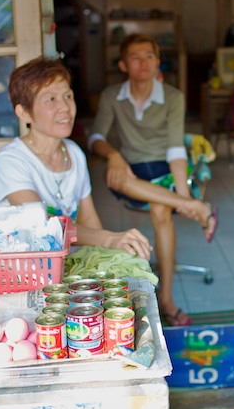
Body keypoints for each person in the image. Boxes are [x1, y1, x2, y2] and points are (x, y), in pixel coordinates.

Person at [89, 33, 218, 327]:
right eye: (135, 57)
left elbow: (175, 150)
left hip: (164, 170)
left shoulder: (172, 96)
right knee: (119, 178)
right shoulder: (112, 96)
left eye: (149, 56)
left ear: (158, 61)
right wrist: (113, 155)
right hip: (130, 169)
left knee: (161, 210)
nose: (143, 62)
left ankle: (167, 300)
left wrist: (183, 193)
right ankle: (200, 209)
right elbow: (95, 137)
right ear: (123, 64)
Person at [0, 56, 152, 260]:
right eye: (51, 99)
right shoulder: (11, 160)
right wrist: (109, 238)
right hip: (20, 269)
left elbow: (89, 218)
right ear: (24, 113)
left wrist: (108, 258)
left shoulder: (74, 153)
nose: (65, 107)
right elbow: (40, 224)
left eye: (68, 96)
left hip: (62, 265)